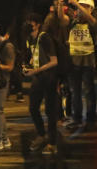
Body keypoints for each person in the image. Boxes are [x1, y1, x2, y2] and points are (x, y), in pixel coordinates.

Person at [25, 14, 59, 154]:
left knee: (51, 111)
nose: (28, 25)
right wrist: (29, 66)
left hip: (49, 78)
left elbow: (54, 61)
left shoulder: (44, 37)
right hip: (38, 78)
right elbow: (35, 57)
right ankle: (42, 134)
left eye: (31, 22)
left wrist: (35, 70)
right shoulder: (30, 39)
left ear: (37, 24)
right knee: (33, 108)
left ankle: (52, 143)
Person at [66, 0, 97, 130]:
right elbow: (62, 20)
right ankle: (77, 118)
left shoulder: (93, 23)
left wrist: (77, 4)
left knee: (89, 91)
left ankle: (91, 119)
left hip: (88, 62)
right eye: (80, 7)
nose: (81, 10)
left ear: (90, 9)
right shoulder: (73, 22)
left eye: (85, 7)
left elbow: (92, 20)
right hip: (73, 62)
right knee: (76, 92)